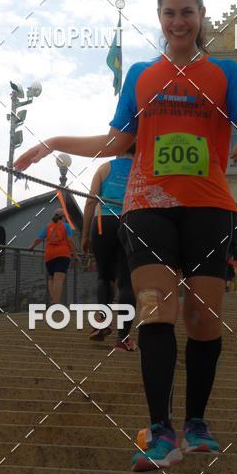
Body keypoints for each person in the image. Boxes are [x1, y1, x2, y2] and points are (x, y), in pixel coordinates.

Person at [14, 0, 237, 472]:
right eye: (170, 13)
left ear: (201, 15)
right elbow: (116, 142)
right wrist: (54, 142)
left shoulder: (225, 72)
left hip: (209, 208)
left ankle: (196, 424)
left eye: (187, 12)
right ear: (161, 19)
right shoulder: (142, 77)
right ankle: (162, 432)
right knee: (155, 313)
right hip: (146, 208)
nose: (178, 21)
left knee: (203, 322)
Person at [81, 147, 137, 349]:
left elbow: (89, 203)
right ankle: (122, 338)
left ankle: (101, 324)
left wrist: (85, 235)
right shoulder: (143, 168)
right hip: (131, 222)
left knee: (104, 276)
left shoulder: (104, 168)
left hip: (102, 224)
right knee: (127, 282)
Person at [28, 209, 80, 312]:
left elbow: (39, 238)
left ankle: (54, 301)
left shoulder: (48, 226)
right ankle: (56, 304)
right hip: (62, 254)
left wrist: (32, 246)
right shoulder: (66, 226)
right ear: (63, 217)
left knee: (51, 279)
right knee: (59, 280)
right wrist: (75, 254)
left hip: (49, 256)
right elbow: (70, 241)